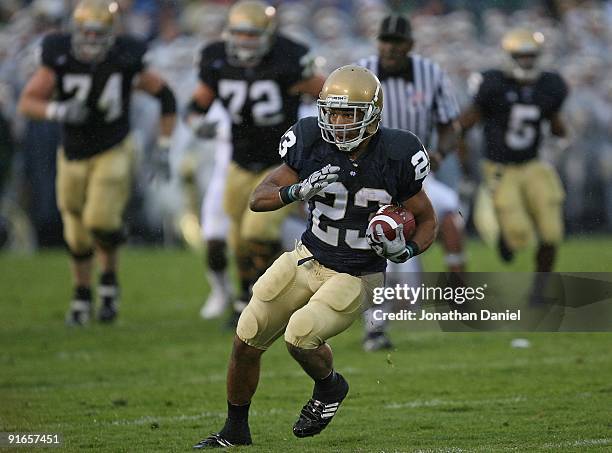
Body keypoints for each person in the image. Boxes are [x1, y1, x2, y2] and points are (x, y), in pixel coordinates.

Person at [193, 65, 437, 448]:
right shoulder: (309, 140)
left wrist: (405, 250)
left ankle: (330, 387)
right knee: (247, 336)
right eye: (332, 112)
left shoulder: (397, 153)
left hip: (357, 274)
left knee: (300, 335)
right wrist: (297, 191)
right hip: (307, 257)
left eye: (348, 114)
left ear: (372, 115)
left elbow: (427, 220)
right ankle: (235, 431)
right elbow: (259, 198)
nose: (337, 122)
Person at [18, 0, 177, 325]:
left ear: (111, 33)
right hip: (72, 151)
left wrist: (163, 146)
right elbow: (28, 101)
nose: (90, 39)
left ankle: (108, 278)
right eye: (85, 32)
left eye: (97, 32)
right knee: (76, 233)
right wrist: (57, 111)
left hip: (114, 147)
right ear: (74, 31)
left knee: (100, 219)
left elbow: (165, 95)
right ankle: (84, 294)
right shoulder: (58, 53)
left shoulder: (125, 54)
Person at [188, 0, 325, 325]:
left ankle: (259, 297)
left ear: (267, 34)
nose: (245, 42)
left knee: (257, 233)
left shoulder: (289, 58)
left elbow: (327, 95)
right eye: (239, 34)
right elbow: (196, 105)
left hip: (280, 163)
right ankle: (244, 294)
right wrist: (197, 124)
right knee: (236, 237)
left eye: (252, 35)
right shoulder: (217, 58)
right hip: (237, 163)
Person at [357, 14, 463, 351]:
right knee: (385, 244)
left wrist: (441, 153)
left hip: (417, 175)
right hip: (373, 176)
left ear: (409, 45)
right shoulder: (361, 71)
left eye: (396, 41)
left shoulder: (431, 74)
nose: (389, 47)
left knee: (451, 214)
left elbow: (450, 124)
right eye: (384, 40)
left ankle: (456, 293)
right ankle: (375, 327)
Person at [459, 28, 569, 277]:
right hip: (500, 166)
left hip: (533, 163)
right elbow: (464, 125)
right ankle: (503, 236)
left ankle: (541, 287)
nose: (527, 62)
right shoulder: (493, 84)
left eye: (531, 56)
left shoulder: (549, 85)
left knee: (552, 231)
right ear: (509, 56)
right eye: (522, 56)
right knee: (519, 234)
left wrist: (563, 138)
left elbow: (556, 123)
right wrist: (466, 166)